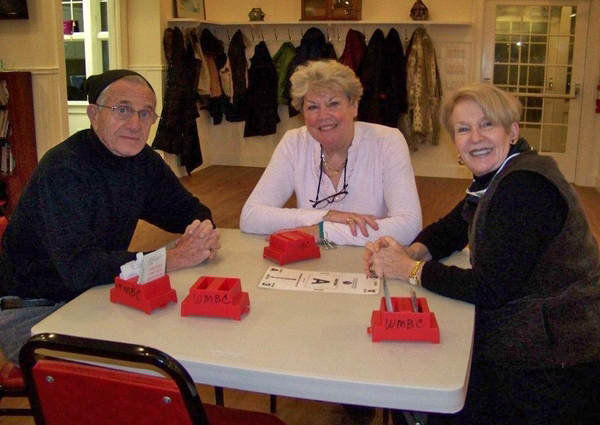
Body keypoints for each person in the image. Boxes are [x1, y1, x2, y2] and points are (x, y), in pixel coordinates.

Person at [364, 83, 600, 424]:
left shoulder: (524, 187)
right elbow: (452, 227)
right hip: (536, 336)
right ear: (456, 144)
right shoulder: (501, 175)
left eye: (487, 124)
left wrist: (409, 269)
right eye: (463, 129)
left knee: (424, 394)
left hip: (556, 361)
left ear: (512, 131)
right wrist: (411, 249)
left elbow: (489, 289)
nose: (475, 137)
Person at [0, 69, 220, 364]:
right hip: (35, 313)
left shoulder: (142, 161)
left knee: (185, 339)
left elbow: (189, 211)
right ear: (93, 114)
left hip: (94, 294)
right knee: (143, 367)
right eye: (123, 110)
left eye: (145, 114)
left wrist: (200, 233)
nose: (134, 124)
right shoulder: (64, 171)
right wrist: (174, 258)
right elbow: (81, 269)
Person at [240, 60, 422, 247]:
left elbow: (409, 227)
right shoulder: (293, 143)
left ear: (354, 106)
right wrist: (325, 216)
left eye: (333, 104)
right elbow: (250, 217)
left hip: (372, 261)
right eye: (312, 107)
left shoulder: (387, 141)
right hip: (311, 263)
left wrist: (321, 231)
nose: (323, 116)